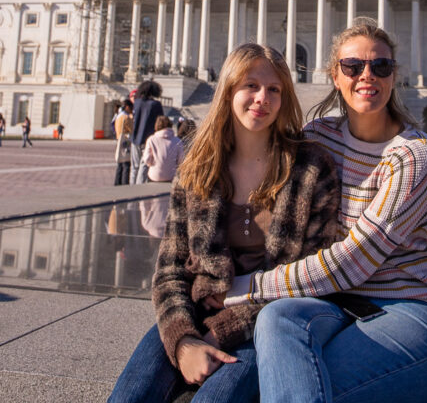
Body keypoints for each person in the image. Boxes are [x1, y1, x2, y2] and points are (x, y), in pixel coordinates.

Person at [224, 19, 427, 403]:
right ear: (335, 76)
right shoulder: (320, 136)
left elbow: (355, 260)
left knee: (298, 385)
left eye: (380, 66)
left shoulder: (414, 154)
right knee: (275, 323)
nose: (367, 75)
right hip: (336, 305)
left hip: (415, 309)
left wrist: (247, 286)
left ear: (394, 76)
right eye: (353, 66)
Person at [108, 43, 339, 403]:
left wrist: (224, 330)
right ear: (229, 89)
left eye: (274, 89)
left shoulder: (310, 170)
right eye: (250, 85)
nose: (262, 97)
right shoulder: (198, 168)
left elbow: (313, 275)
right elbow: (169, 269)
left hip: (264, 323)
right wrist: (183, 340)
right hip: (194, 312)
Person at [130, 80, 163, 184]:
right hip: (148, 138)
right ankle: (139, 189)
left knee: (134, 167)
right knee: (144, 166)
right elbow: (161, 121)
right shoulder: (155, 104)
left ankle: (131, 187)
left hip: (135, 138)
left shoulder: (137, 102)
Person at [142, 115, 184, 183]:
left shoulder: (151, 139)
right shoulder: (177, 141)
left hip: (154, 176)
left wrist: (152, 163)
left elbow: (147, 159)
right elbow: (181, 160)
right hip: (171, 176)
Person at [114, 99, 134, 185]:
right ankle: (124, 183)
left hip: (119, 139)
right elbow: (131, 129)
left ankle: (117, 183)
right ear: (127, 107)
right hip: (126, 141)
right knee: (126, 163)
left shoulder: (118, 116)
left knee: (119, 163)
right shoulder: (126, 117)